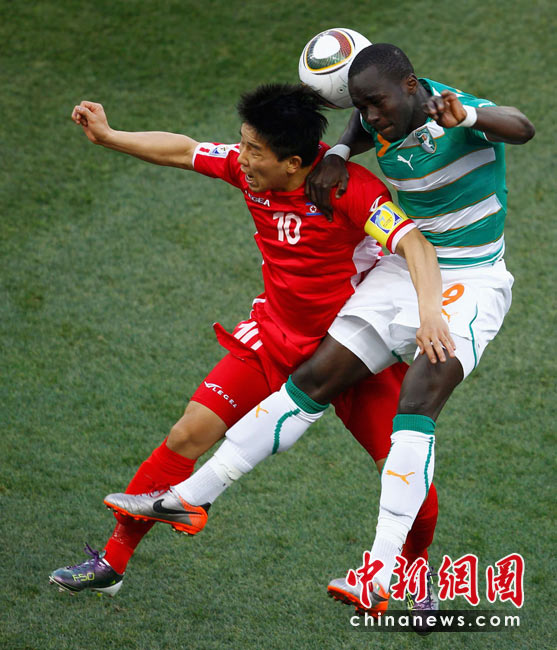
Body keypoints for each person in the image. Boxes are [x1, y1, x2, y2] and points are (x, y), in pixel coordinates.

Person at [108, 44, 534, 623]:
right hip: (399, 273)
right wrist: (337, 148)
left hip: (468, 277)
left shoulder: (447, 109)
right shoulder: (375, 117)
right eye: (359, 107)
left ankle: (383, 573)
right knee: (311, 381)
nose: (369, 118)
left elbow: (521, 126)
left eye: (376, 105)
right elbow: (359, 130)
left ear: (411, 85)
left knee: (417, 401)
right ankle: (190, 499)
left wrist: (471, 117)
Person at [50, 84, 447, 609]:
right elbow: (185, 150)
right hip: (274, 339)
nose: (241, 157)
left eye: (254, 150)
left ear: (294, 163)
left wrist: (430, 312)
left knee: (405, 473)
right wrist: (109, 136)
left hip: (351, 354)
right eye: (243, 143)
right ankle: (111, 563)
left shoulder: (349, 189)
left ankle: (416, 577)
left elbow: (414, 244)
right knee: (187, 434)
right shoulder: (248, 170)